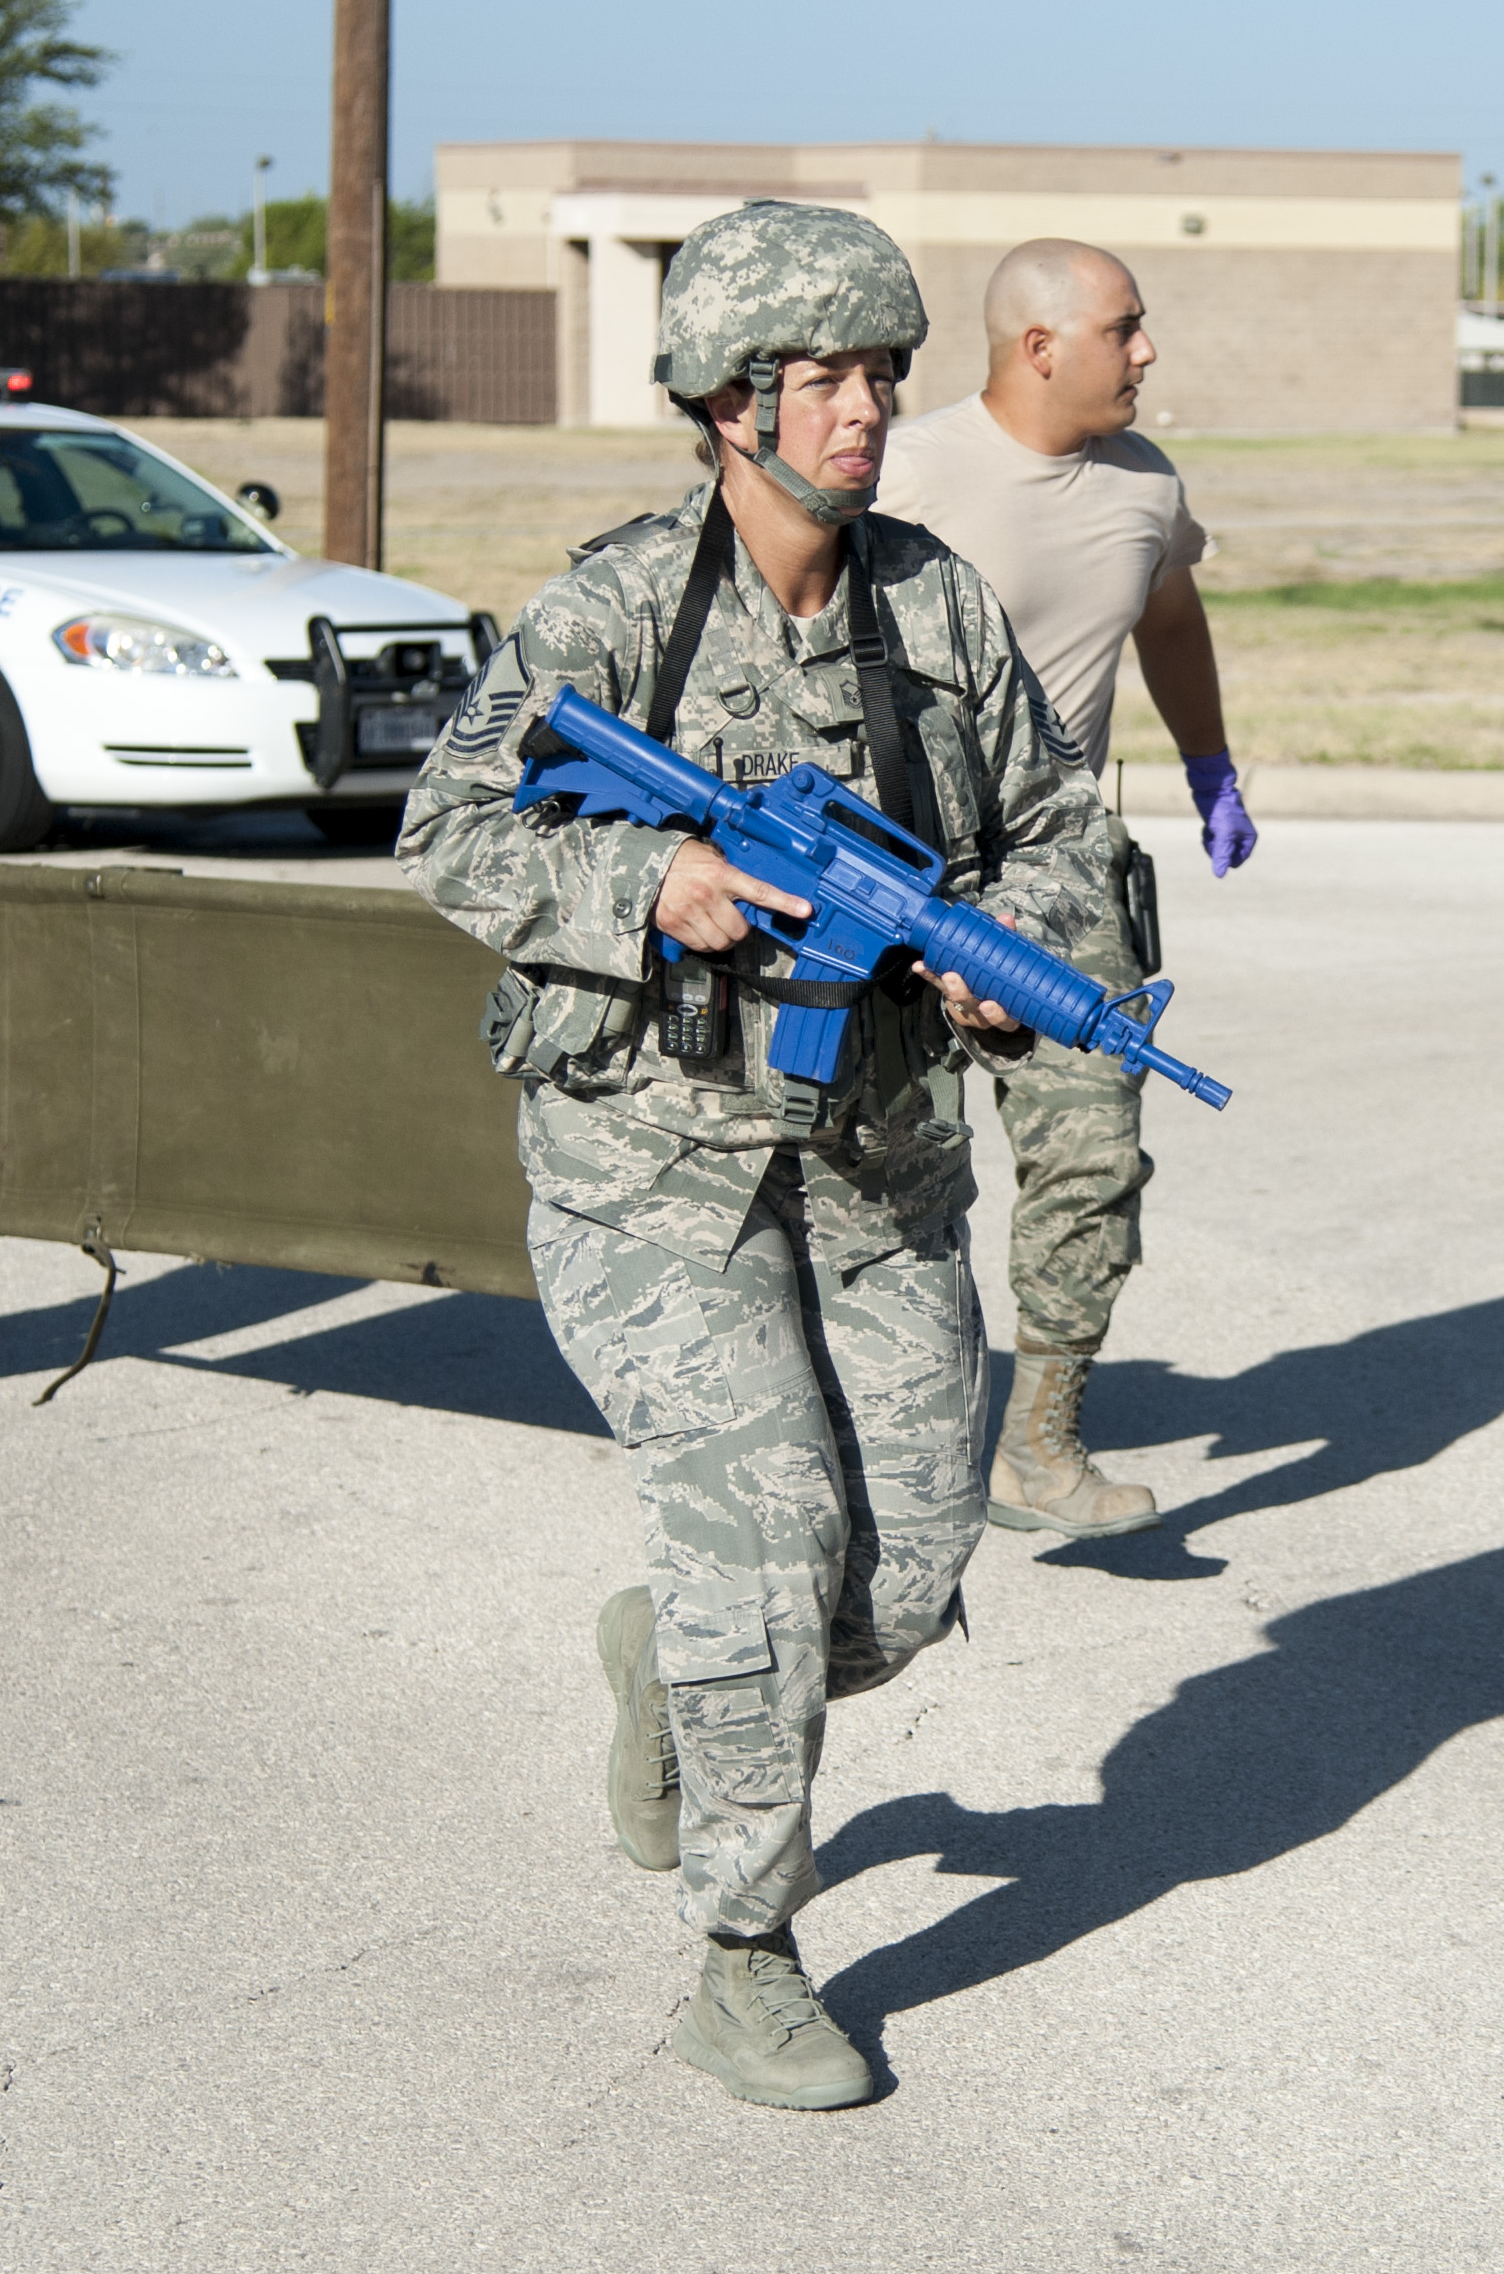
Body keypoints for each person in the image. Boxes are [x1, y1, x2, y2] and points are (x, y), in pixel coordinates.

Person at [403, 203, 1117, 2111]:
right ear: (730, 402)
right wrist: (664, 880)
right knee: (768, 1544)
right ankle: (743, 1950)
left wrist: (1013, 967)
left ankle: (674, 1664)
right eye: (827, 380)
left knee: (900, 1578)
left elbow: (1056, 823)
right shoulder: (621, 611)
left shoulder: (937, 605)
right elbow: (447, 829)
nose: (869, 409)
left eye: (884, 374)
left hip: (877, 1162)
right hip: (651, 1170)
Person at [873, 238, 1256, 1540]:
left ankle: (1037, 1446)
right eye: (1123, 328)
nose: (1146, 351)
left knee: (1092, 1156)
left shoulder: (1145, 487)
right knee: (879, 1162)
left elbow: (1169, 619)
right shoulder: (904, 472)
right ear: (1038, 346)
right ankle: (858, 1424)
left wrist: (1209, 766)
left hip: (1063, 867)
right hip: (895, 868)